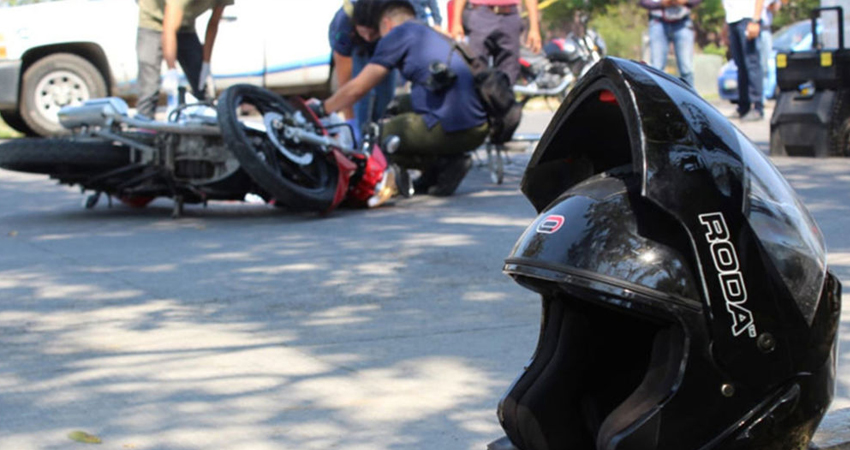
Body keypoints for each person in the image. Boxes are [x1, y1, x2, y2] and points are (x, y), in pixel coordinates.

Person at [314, 0, 489, 196]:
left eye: (377, 33)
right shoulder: (425, 30)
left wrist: (322, 108)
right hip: (477, 126)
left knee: (376, 137)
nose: (375, 39)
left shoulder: (397, 35)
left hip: (454, 127)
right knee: (397, 106)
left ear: (387, 23)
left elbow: (358, 88)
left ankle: (443, 164)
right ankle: (436, 171)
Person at [135, 0, 233, 120]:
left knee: (201, 82)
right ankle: (144, 122)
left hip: (185, 25)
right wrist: (171, 70)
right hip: (152, 22)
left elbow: (213, 23)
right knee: (149, 86)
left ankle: (206, 119)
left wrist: (206, 64)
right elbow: (169, 28)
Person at [329, 0, 397, 135]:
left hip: (382, 39)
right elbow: (346, 80)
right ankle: (361, 133)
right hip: (355, 45)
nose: (368, 37)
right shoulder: (344, 26)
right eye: (364, 32)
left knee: (385, 96)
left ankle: (382, 133)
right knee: (361, 98)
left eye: (372, 34)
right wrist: (350, 119)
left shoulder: (392, 16)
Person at [450, 0, 542, 84]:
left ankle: (505, 96)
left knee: (509, 70)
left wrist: (534, 28)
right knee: (476, 68)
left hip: (509, 15)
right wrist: (456, 22)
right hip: (481, 14)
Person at [640, 0, 703, 87]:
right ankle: (657, 94)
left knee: (686, 69)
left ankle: (688, 94)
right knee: (656, 68)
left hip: (682, 22)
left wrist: (685, 1)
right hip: (657, 22)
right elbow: (643, 2)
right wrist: (661, 3)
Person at [723, 0, 765, 121]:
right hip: (732, 20)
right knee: (740, 66)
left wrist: (755, 20)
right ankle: (743, 107)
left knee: (752, 64)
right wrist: (725, 26)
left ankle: (757, 107)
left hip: (747, 19)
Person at [760, 0, 781, 100]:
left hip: (763, 29)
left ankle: (764, 95)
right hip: (747, 27)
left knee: (765, 66)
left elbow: (775, 7)